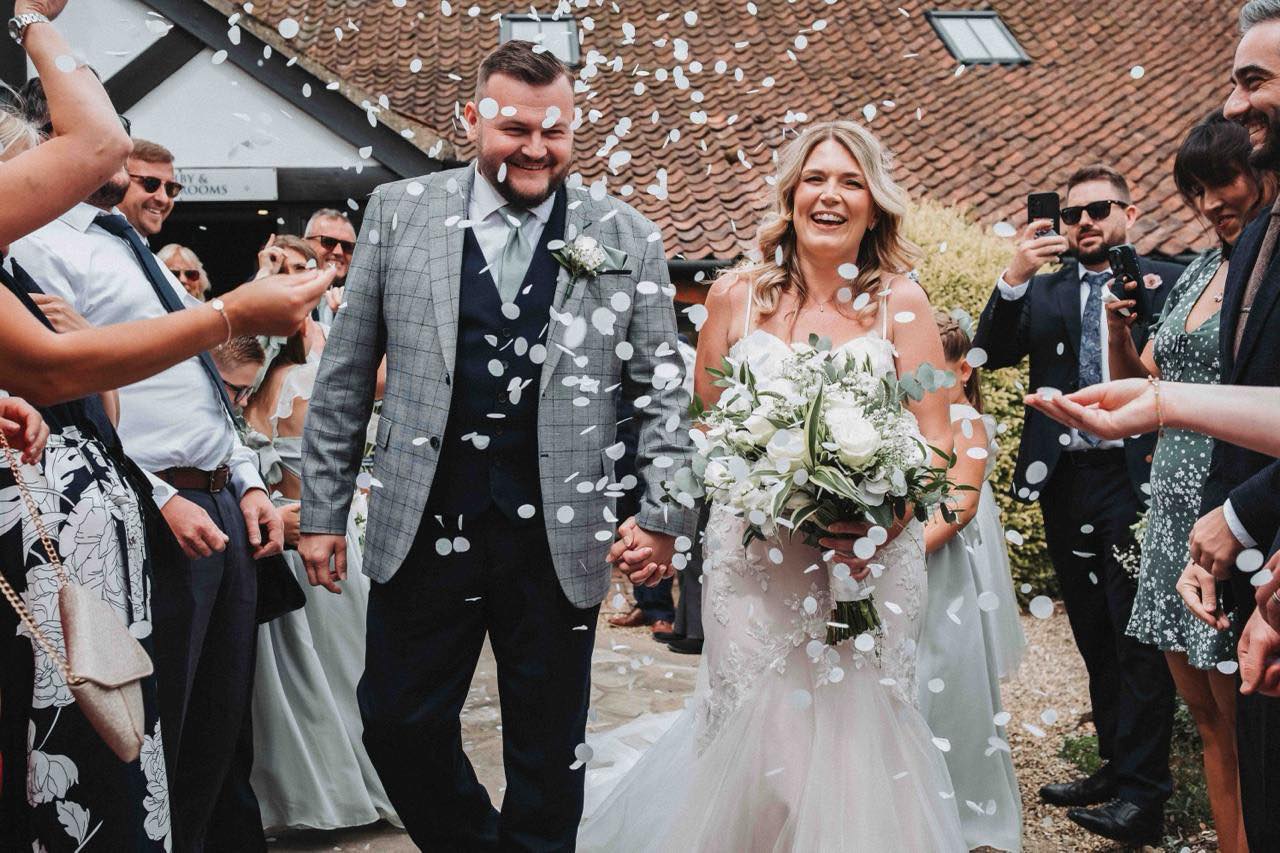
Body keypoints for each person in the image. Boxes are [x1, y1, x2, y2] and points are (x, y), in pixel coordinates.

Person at [299, 40, 697, 850]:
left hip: (559, 536)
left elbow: (662, 389)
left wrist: (665, 514)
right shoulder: (398, 213)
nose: (535, 148)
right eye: (515, 128)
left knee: (549, 754)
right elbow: (344, 375)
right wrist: (321, 510)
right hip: (424, 523)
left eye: (555, 131)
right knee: (396, 721)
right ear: (471, 118)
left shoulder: (627, 234)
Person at [580, 120, 964, 850]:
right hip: (754, 563)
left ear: (875, 207)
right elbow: (703, 428)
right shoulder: (736, 296)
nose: (831, 195)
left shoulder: (903, 303)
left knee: (853, 751)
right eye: (815, 179)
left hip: (866, 565)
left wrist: (882, 519)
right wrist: (665, 519)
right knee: (764, 760)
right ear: (790, 197)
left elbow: (936, 438)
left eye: (851, 182)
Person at [0, 13, 329, 848]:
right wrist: (230, 313)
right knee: (121, 738)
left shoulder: (121, 246)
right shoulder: (40, 247)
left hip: (186, 505)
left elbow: (171, 391)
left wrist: (244, 480)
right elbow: (62, 377)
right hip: (105, 525)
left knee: (203, 734)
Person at [972, 164, 1183, 844]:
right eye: (1072, 214)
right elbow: (986, 354)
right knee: (1093, 629)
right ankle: (1116, 767)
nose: (1084, 222)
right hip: (1065, 478)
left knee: (1137, 635)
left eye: (1099, 209)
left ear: (1130, 212)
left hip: (1135, 475)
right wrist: (1015, 272)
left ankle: (1144, 796)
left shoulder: (1168, 281)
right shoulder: (1044, 288)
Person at [1103, 110, 1272, 853]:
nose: (1208, 204)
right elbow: (1150, 385)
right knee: (1204, 717)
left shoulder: (1264, 277)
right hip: (1170, 511)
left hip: (1229, 504)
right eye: (1195, 190)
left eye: (1221, 182)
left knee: (1242, 720)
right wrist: (1119, 331)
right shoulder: (1200, 270)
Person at [226, 237, 398, 833]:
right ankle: (366, 785)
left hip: (282, 533)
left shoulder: (245, 381)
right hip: (329, 531)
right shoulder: (313, 375)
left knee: (301, 678)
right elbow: (396, 379)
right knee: (351, 668)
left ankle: (310, 794)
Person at [1186, 4, 1280, 845]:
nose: (1233, 104)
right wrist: (1220, 536)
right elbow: (1244, 405)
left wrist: (1246, 514)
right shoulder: (1254, 243)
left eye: (1254, 81)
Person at [916, 311, 1022, 852]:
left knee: (945, 671)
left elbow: (959, 507)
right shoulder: (910, 418)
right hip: (904, 558)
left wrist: (901, 551)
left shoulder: (967, 422)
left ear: (963, 371)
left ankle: (958, 801)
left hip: (942, 562)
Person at [118, 138, 180, 239]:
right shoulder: (95, 244)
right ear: (119, 180)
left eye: (170, 188)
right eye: (150, 183)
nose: (164, 198)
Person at [304, 208, 356, 323]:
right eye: (328, 242)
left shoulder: (361, 299)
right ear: (305, 243)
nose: (339, 252)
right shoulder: (285, 292)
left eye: (347, 246)